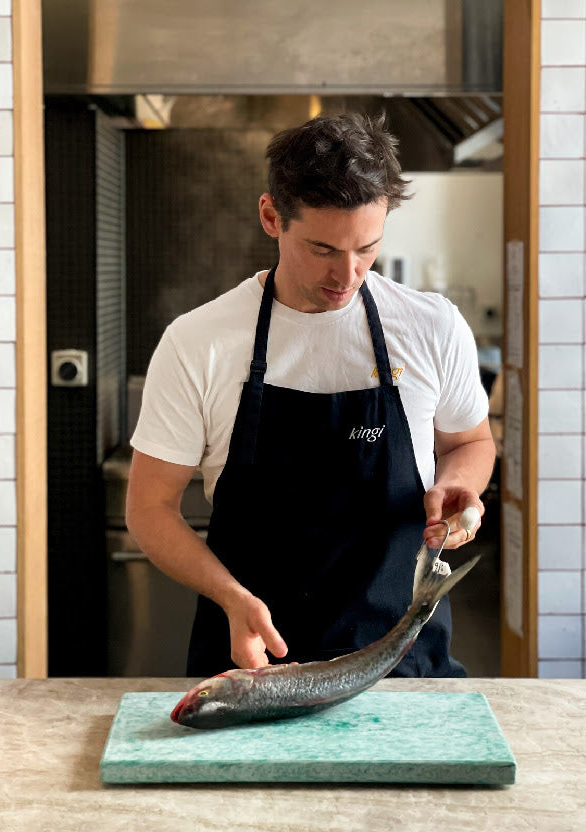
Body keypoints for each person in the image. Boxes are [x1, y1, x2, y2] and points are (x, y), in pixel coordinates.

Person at [126, 112, 496, 679]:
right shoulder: (198, 342)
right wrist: (229, 596)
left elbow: (470, 441)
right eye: (323, 249)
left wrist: (459, 487)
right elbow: (150, 508)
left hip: (401, 665)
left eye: (367, 249)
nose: (347, 275)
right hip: (256, 666)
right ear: (272, 216)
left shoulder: (431, 327)